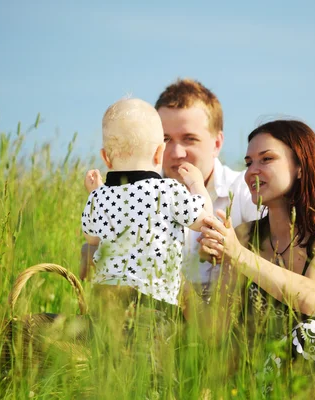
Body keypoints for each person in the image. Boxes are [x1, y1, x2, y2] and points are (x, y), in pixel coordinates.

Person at [199, 119, 315, 388]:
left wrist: (237, 255)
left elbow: (311, 298)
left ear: (300, 167)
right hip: (265, 384)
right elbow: (216, 330)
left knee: (307, 335)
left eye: (266, 159)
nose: (252, 171)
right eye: (248, 163)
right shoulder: (245, 237)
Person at [81, 78, 260, 300]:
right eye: (167, 139)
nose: (176, 153)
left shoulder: (247, 192)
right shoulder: (153, 192)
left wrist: (232, 258)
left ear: (217, 143)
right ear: (158, 148)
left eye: (189, 139)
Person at [81, 98, 213, 307]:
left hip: (105, 299)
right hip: (153, 303)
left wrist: (96, 194)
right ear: (159, 152)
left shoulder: (99, 197)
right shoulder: (169, 191)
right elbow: (205, 220)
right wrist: (197, 184)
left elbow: (92, 239)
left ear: (106, 158)